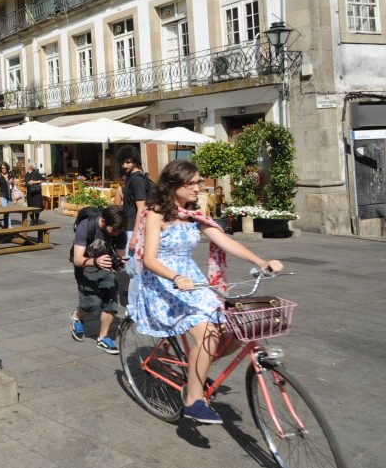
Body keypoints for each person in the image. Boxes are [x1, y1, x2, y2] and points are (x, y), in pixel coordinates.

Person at [127, 159, 284, 425]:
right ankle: (193, 400)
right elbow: (150, 259)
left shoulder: (193, 214)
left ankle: (197, 367)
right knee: (209, 333)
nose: (199, 187)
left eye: (199, 182)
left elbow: (226, 240)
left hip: (193, 282)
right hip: (163, 283)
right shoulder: (156, 213)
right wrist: (175, 276)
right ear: (174, 184)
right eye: (193, 183)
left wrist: (261, 262)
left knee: (234, 330)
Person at [69, 205, 128, 353]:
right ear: (103, 221)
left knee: (111, 303)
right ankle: (77, 316)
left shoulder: (120, 232)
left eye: (119, 230)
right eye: (113, 230)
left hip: (105, 268)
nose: (116, 234)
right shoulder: (86, 226)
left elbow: (119, 256)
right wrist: (95, 261)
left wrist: (119, 264)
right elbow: (77, 259)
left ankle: (102, 338)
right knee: (92, 303)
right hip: (85, 266)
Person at [116, 145, 152, 251]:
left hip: (133, 229)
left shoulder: (137, 180)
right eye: (122, 162)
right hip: (129, 226)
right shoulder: (132, 178)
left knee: (132, 266)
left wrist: (135, 236)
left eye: (128, 162)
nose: (124, 165)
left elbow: (141, 208)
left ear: (135, 161)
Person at [0, 162, 14, 228]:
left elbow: (15, 183)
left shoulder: (11, 174)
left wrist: (12, 181)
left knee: (7, 210)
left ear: (7, 168)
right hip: (2, 194)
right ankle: (9, 224)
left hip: (10, 194)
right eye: (2, 168)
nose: (3, 169)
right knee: (5, 209)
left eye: (4, 168)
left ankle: (5, 222)